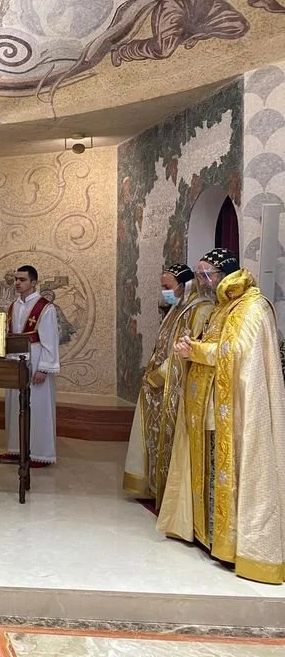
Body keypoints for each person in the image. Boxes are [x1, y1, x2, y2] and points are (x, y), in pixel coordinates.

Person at [159, 248, 285, 584]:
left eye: (207, 275)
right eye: (198, 275)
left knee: (230, 471)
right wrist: (193, 348)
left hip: (238, 411)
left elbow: (236, 353)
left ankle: (234, 544)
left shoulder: (252, 307)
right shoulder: (222, 308)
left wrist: (195, 350)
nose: (202, 282)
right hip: (214, 407)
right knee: (213, 470)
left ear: (227, 274)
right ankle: (212, 536)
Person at [123, 264, 213, 508]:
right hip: (158, 384)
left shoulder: (200, 310)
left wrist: (157, 376)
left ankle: (170, 495)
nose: (164, 292)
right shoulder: (177, 308)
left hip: (176, 386)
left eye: (167, 287)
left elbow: (184, 350)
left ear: (185, 285)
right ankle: (154, 486)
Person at [0, 265, 60, 466]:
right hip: (15, 360)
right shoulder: (13, 306)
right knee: (15, 405)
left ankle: (40, 453)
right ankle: (17, 449)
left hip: (35, 360)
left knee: (37, 406)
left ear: (33, 282)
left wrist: (43, 368)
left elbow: (50, 339)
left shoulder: (45, 307)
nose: (17, 283)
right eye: (16, 279)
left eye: (22, 279)